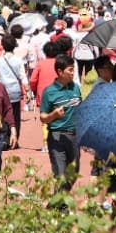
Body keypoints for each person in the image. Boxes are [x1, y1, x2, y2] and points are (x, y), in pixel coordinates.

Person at [40, 54, 82, 191]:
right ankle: (62, 206)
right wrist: (53, 115)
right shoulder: (49, 92)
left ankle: (56, 201)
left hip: (75, 136)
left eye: (73, 69)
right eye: (70, 70)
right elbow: (43, 117)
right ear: (60, 71)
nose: (73, 73)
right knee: (60, 173)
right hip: (57, 137)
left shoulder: (75, 88)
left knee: (74, 172)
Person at [0, 35, 28, 148]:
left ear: (3, 46)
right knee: (15, 115)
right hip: (15, 91)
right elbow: (23, 76)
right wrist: (27, 91)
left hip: (2, 91)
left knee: (3, 114)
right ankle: (15, 140)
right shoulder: (18, 60)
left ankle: (4, 139)